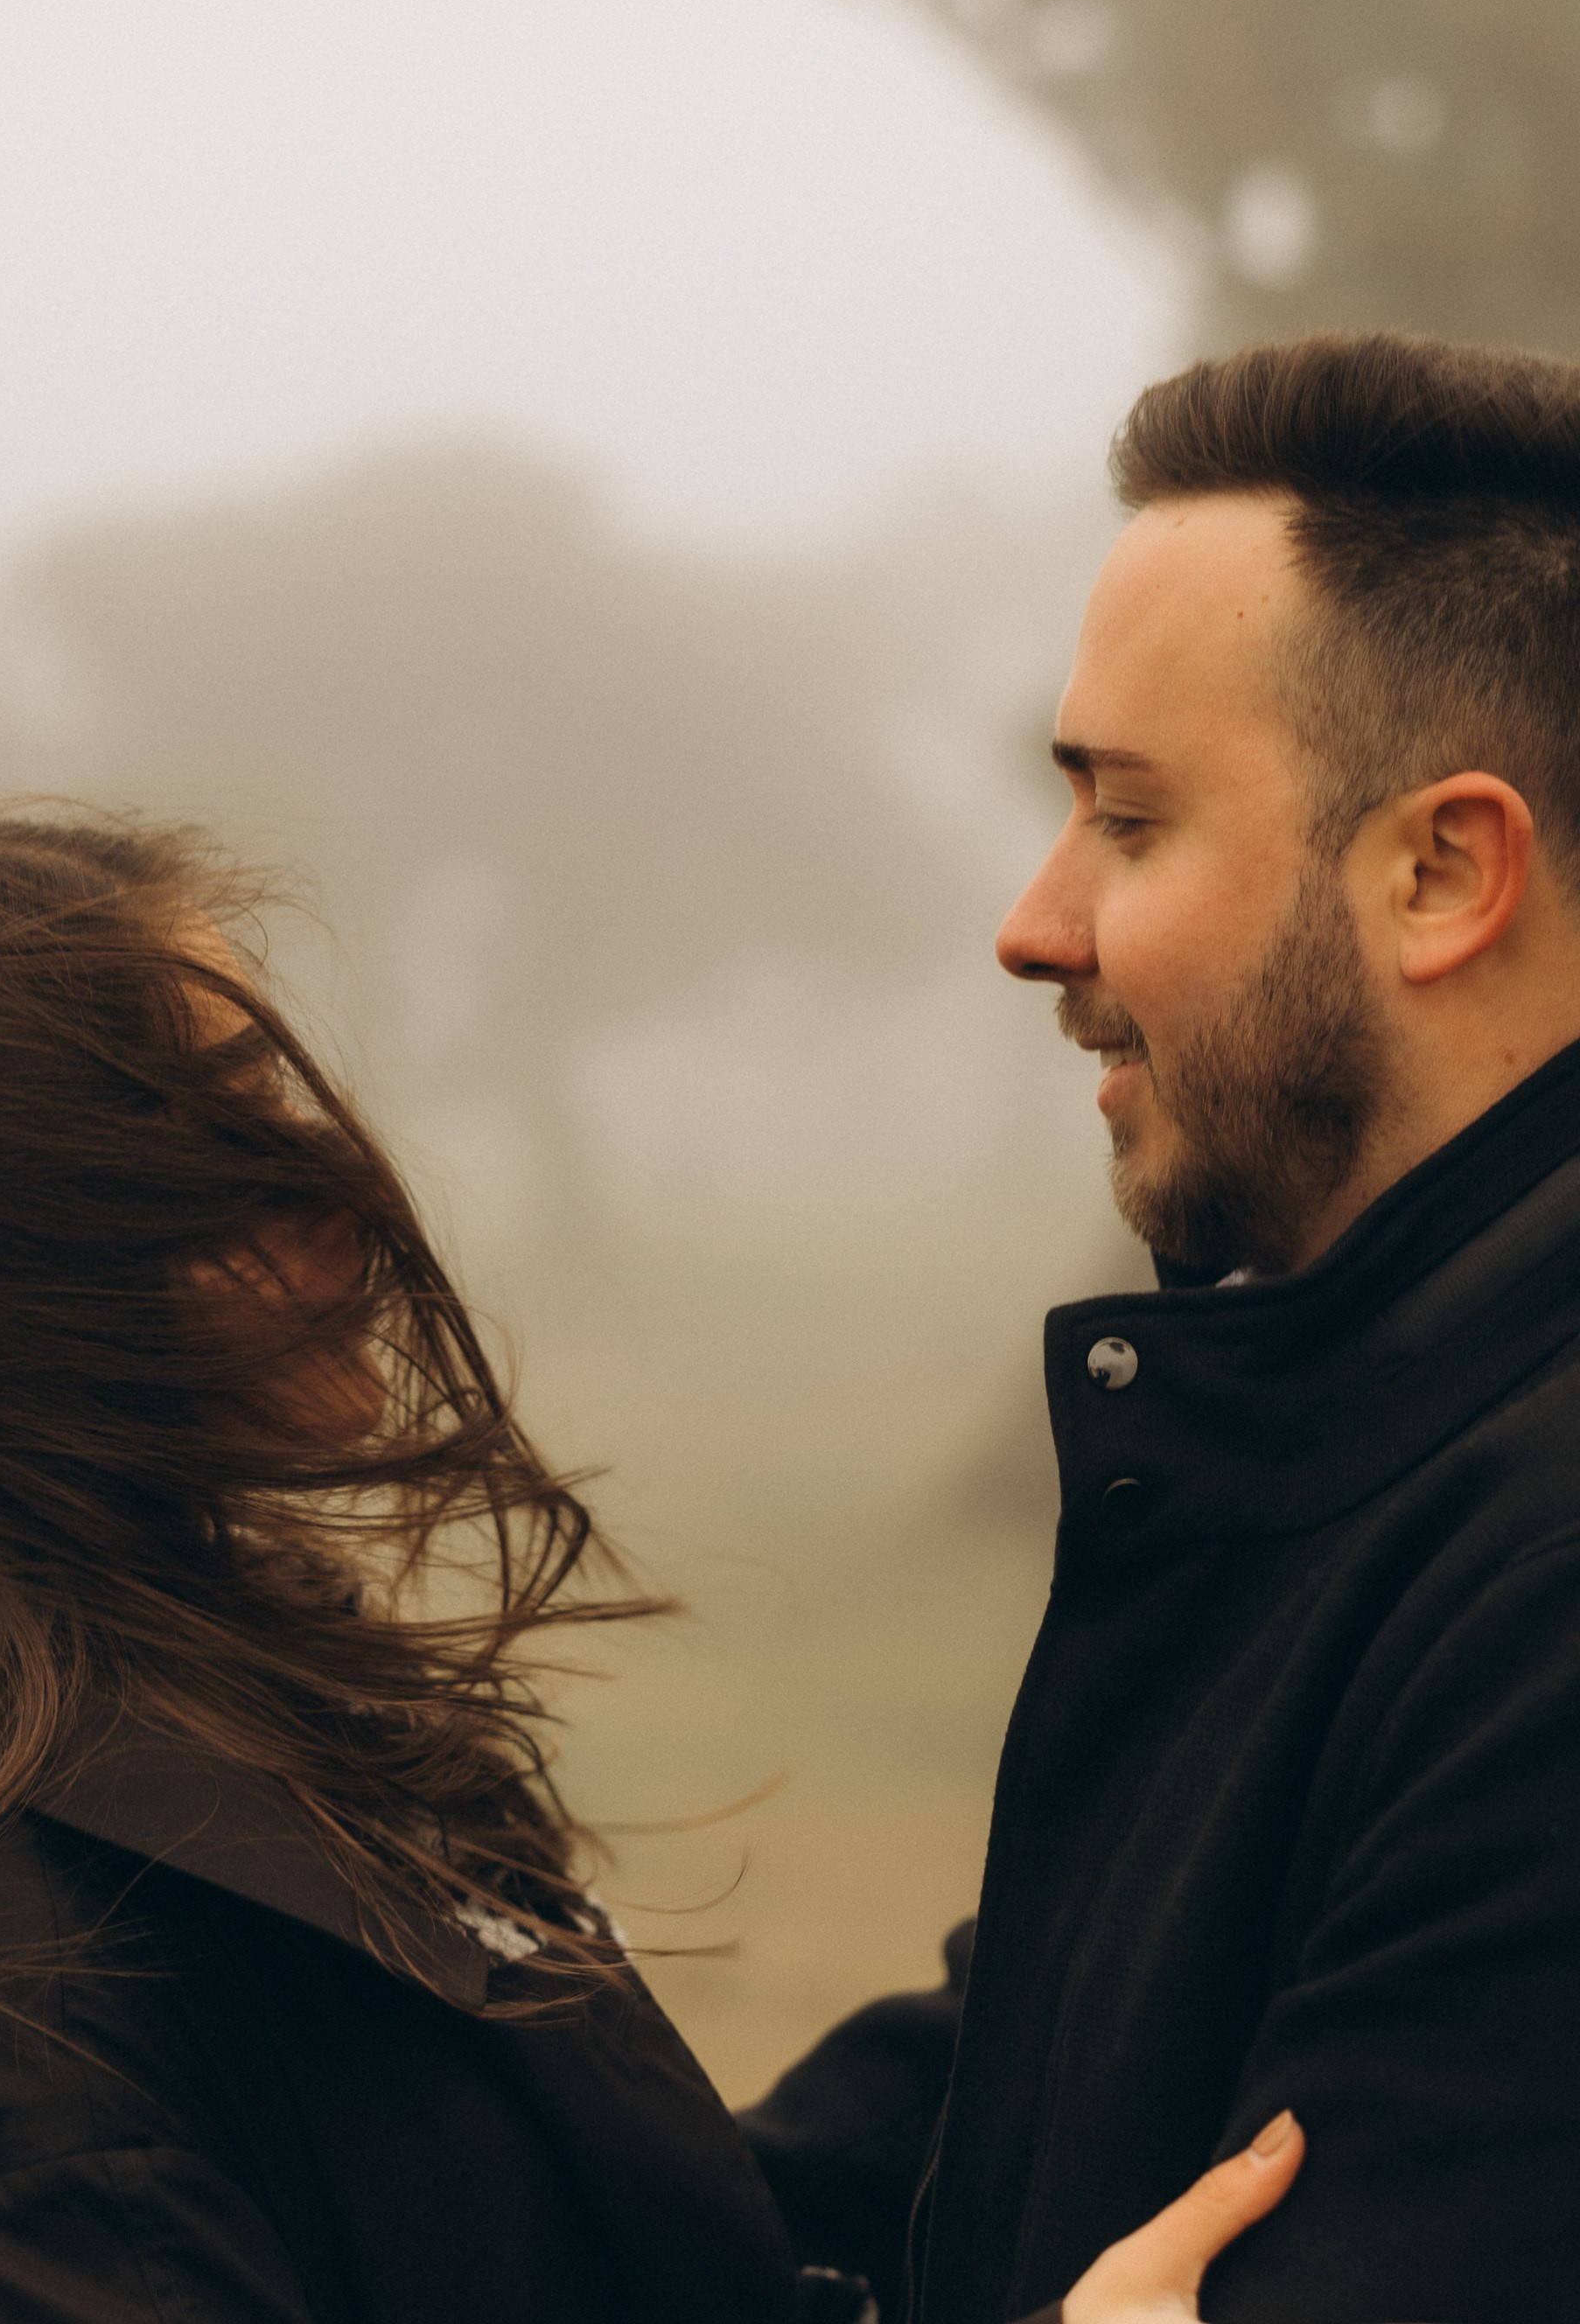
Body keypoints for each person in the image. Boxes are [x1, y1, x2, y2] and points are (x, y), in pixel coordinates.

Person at [0, 806, 1285, 2324]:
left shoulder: (243, 1727)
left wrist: (1167, 1883)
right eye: (223, 1140)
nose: (341, 1196)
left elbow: (623, 2253)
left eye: (282, 1101)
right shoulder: (11, 1977)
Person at [744, 331, 1580, 2324]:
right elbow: (941, 2138)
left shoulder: (1538, 1562)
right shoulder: (1347, 1436)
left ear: (1440, 871)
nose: (1034, 925)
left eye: (1126, 821)